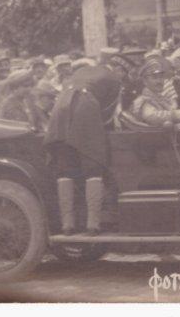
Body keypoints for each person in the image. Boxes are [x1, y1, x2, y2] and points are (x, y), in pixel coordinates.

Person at [44, 62, 124, 235]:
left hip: (61, 107)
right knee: (93, 167)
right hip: (86, 107)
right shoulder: (114, 80)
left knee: (64, 169)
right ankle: (93, 224)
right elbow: (109, 114)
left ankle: (67, 224)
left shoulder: (80, 73)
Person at [131, 57, 180, 126]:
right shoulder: (143, 101)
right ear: (145, 81)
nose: (159, 81)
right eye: (154, 78)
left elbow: (172, 111)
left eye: (161, 77)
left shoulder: (159, 97)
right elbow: (153, 117)